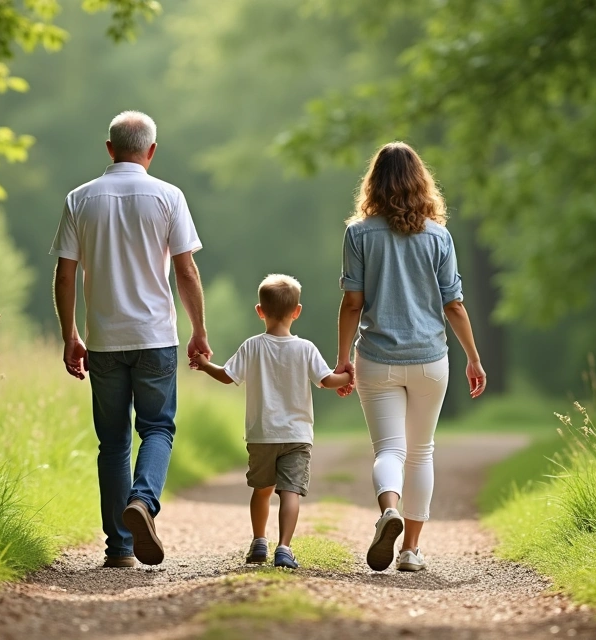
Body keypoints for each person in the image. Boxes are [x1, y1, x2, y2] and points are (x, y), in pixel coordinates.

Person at [50, 110, 211, 568]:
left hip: (103, 340)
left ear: (109, 148)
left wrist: (70, 334)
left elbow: (65, 273)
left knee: (114, 442)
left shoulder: (79, 199)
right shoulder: (168, 196)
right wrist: (198, 330)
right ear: (151, 151)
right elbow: (185, 269)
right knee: (157, 427)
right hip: (155, 336)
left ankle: (119, 548)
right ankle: (143, 501)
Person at [333, 142, 487, 573]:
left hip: (377, 358)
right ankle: (410, 552)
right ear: (422, 182)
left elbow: (351, 304)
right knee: (421, 452)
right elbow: (453, 304)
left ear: (374, 183)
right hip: (430, 359)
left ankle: (389, 510)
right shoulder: (439, 236)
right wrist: (473, 358)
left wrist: (343, 360)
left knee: (389, 449)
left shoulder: (358, 233)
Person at [190, 274, 352, 569]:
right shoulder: (306, 348)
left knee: (262, 489)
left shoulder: (252, 346)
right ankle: (284, 548)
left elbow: (227, 376)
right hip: (297, 436)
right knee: (290, 492)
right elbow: (327, 380)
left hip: (262, 434)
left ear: (259, 311)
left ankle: (259, 541)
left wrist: (203, 365)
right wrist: (349, 376)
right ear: (297, 311)